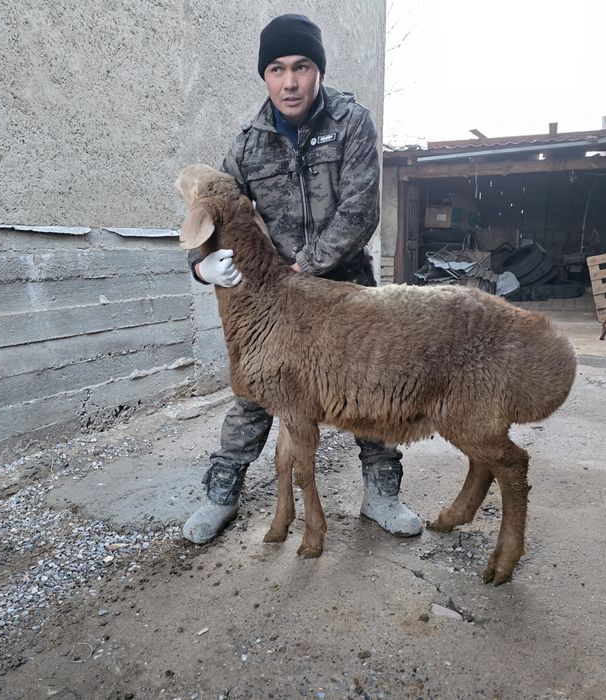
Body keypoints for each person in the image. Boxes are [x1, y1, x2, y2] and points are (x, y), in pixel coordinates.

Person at [183, 14, 422, 544]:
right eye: (277, 69)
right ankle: (222, 493)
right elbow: (214, 210)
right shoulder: (247, 146)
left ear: (318, 71)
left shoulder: (351, 123)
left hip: (346, 290)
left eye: (301, 67)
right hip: (277, 301)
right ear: (264, 76)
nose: (289, 82)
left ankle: (381, 493)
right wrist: (201, 266)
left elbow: (360, 210)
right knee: (256, 391)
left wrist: (307, 265)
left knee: (370, 385)